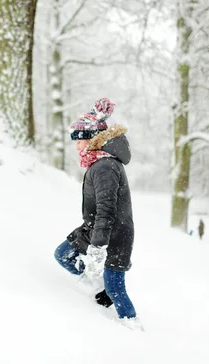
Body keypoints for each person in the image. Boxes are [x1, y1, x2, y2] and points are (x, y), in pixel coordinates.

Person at [53, 98, 143, 330]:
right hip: (94, 228)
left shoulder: (105, 166)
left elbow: (107, 210)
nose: (76, 146)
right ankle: (98, 290)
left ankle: (133, 326)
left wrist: (97, 247)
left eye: (79, 140)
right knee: (64, 255)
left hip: (114, 234)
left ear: (92, 138)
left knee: (116, 288)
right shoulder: (98, 163)